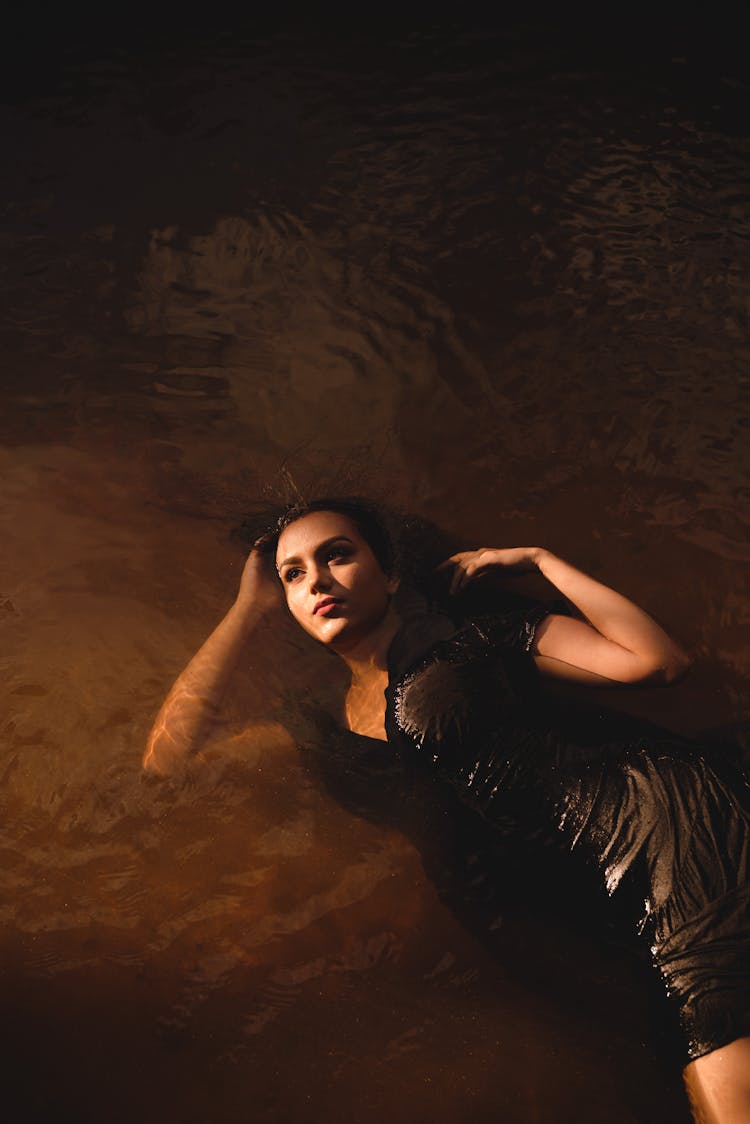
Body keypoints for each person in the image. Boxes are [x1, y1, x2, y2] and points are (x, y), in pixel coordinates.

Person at [144, 497, 750, 1123]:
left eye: (337, 555)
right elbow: (170, 762)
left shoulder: (468, 639)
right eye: (293, 573)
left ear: (392, 575)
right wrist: (246, 610)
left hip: (668, 832)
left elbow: (658, 662)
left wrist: (540, 561)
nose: (317, 579)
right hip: (596, 900)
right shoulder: (316, 727)